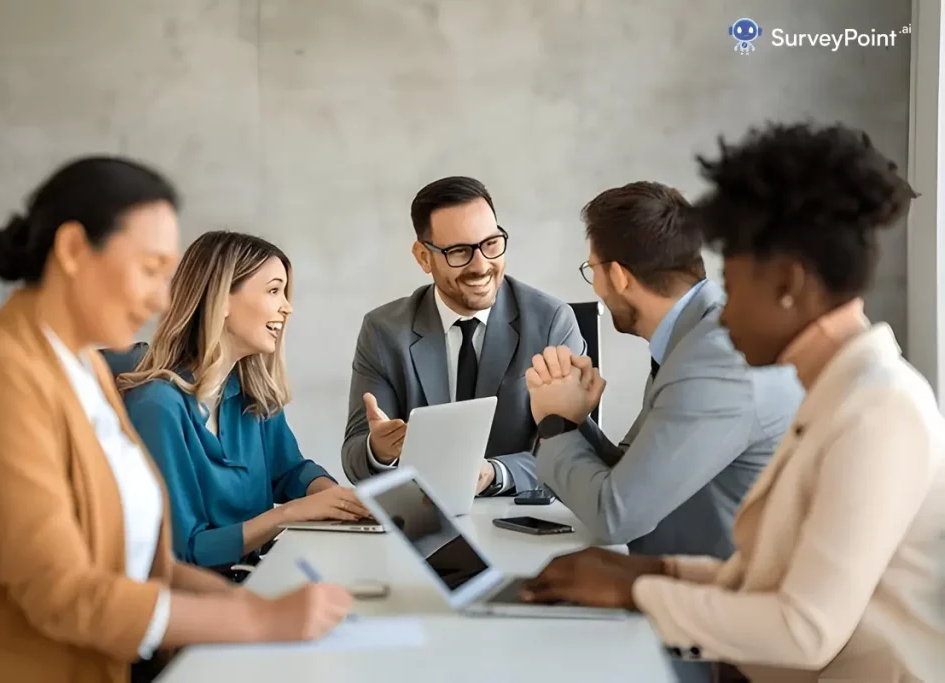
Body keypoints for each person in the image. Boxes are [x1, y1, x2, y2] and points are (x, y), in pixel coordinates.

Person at [520, 123, 945, 683]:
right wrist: (655, 570)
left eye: (735, 285)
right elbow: (776, 576)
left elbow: (802, 628)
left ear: (788, 285)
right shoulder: (844, 393)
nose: (722, 311)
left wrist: (634, 589)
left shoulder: (879, 411)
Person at [0, 158, 352, 683]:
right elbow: (65, 594)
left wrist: (256, 602)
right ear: (75, 251)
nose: (163, 298)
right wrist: (256, 617)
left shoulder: (86, 372)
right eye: (149, 269)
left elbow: (138, 560)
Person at [528, 181, 803, 560]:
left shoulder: (713, 364)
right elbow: (633, 476)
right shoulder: (695, 336)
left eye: (592, 269)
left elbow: (615, 516)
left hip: (718, 595)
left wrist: (553, 426)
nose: (595, 286)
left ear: (619, 277)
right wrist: (572, 420)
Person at [114, 231, 369, 571]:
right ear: (222, 300)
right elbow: (183, 552)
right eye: (274, 290)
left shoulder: (251, 394)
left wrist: (339, 501)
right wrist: (287, 515)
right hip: (198, 602)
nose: (287, 307)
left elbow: (289, 471)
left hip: (255, 577)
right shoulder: (157, 407)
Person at [341, 176, 589, 495]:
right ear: (423, 257)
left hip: (517, 519)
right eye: (459, 251)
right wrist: (379, 451)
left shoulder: (551, 321)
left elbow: (573, 453)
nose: (481, 266)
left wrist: (495, 473)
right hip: (424, 524)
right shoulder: (384, 331)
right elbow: (354, 458)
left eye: (491, 244)